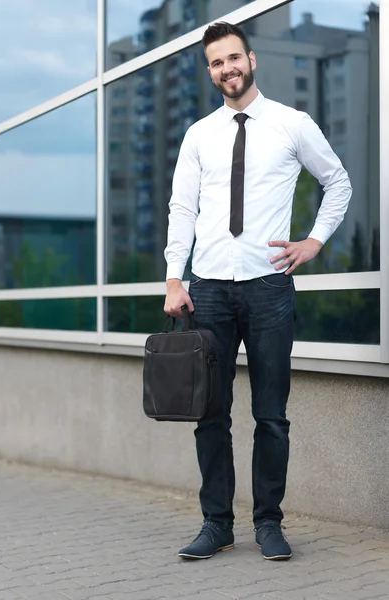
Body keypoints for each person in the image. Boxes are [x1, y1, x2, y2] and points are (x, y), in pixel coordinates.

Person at [163, 21, 352, 561]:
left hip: (270, 289)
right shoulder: (199, 134)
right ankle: (216, 524)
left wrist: (312, 241)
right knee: (210, 415)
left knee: (271, 415)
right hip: (210, 291)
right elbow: (183, 209)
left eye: (233, 58)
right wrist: (176, 275)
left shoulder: (293, 125)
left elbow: (338, 181)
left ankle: (269, 522)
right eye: (216, 63)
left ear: (251, 59)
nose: (227, 69)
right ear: (210, 71)